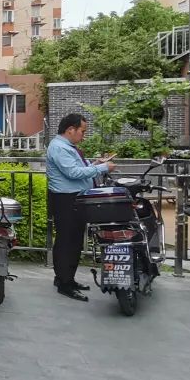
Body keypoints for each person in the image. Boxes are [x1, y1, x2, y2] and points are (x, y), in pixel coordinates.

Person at [46, 113, 115, 301]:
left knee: (74, 240)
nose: (83, 136)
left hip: (74, 198)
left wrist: (95, 164)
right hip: (66, 200)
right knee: (67, 241)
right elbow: (73, 173)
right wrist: (102, 168)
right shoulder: (59, 147)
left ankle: (66, 278)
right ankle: (64, 283)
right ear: (70, 130)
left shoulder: (67, 147)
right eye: (82, 131)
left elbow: (78, 169)